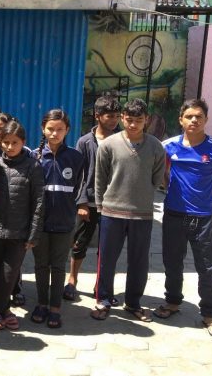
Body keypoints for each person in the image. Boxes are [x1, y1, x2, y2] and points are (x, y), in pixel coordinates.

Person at [91, 99, 165, 322]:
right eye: (129, 120)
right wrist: (100, 205)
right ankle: (103, 300)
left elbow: (157, 178)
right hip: (111, 212)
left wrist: (142, 195)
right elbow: (100, 178)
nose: (133, 125)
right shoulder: (109, 145)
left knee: (139, 261)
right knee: (107, 259)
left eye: (138, 120)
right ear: (122, 118)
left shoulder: (155, 146)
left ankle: (133, 303)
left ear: (146, 120)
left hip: (142, 214)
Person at [155, 99, 212, 338]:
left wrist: (206, 192)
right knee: (172, 263)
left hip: (203, 217)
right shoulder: (168, 146)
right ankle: (172, 302)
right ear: (180, 120)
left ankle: (210, 314)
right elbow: (161, 174)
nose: (194, 120)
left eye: (199, 116)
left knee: (208, 268)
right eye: (189, 116)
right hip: (173, 214)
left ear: (206, 120)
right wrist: (169, 188)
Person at [0, 121, 44, 331]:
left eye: (15, 142)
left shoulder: (33, 166)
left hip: (19, 231)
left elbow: (39, 201)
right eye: (6, 142)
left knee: (9, 275)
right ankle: (3, 310)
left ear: (23, 142)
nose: (10, 147)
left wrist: (34, 233)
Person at [63, 96, 121, 302]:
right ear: (97, 116)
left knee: (107, 247)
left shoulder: (122, 140)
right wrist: (81, 202)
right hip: (88, 203)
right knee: (80, 243)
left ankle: (101, 284)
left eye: (116, 116)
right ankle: (72, 280)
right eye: (109, 116)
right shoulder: (85, 142)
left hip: (113, 203)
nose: (114, 120)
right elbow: (78, 174)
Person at [31, 109, 84, 328]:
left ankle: (55, 308)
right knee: (41, 265)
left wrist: (78, 209)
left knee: (58, 266)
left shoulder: (75, 157)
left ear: (67, 130)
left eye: (59, 129)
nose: (54, 133)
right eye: (50, 129)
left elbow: (81, 187)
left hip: (64, 222)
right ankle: (42, 304)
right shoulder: (34, 157)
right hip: (40, 223)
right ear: (43, 129)